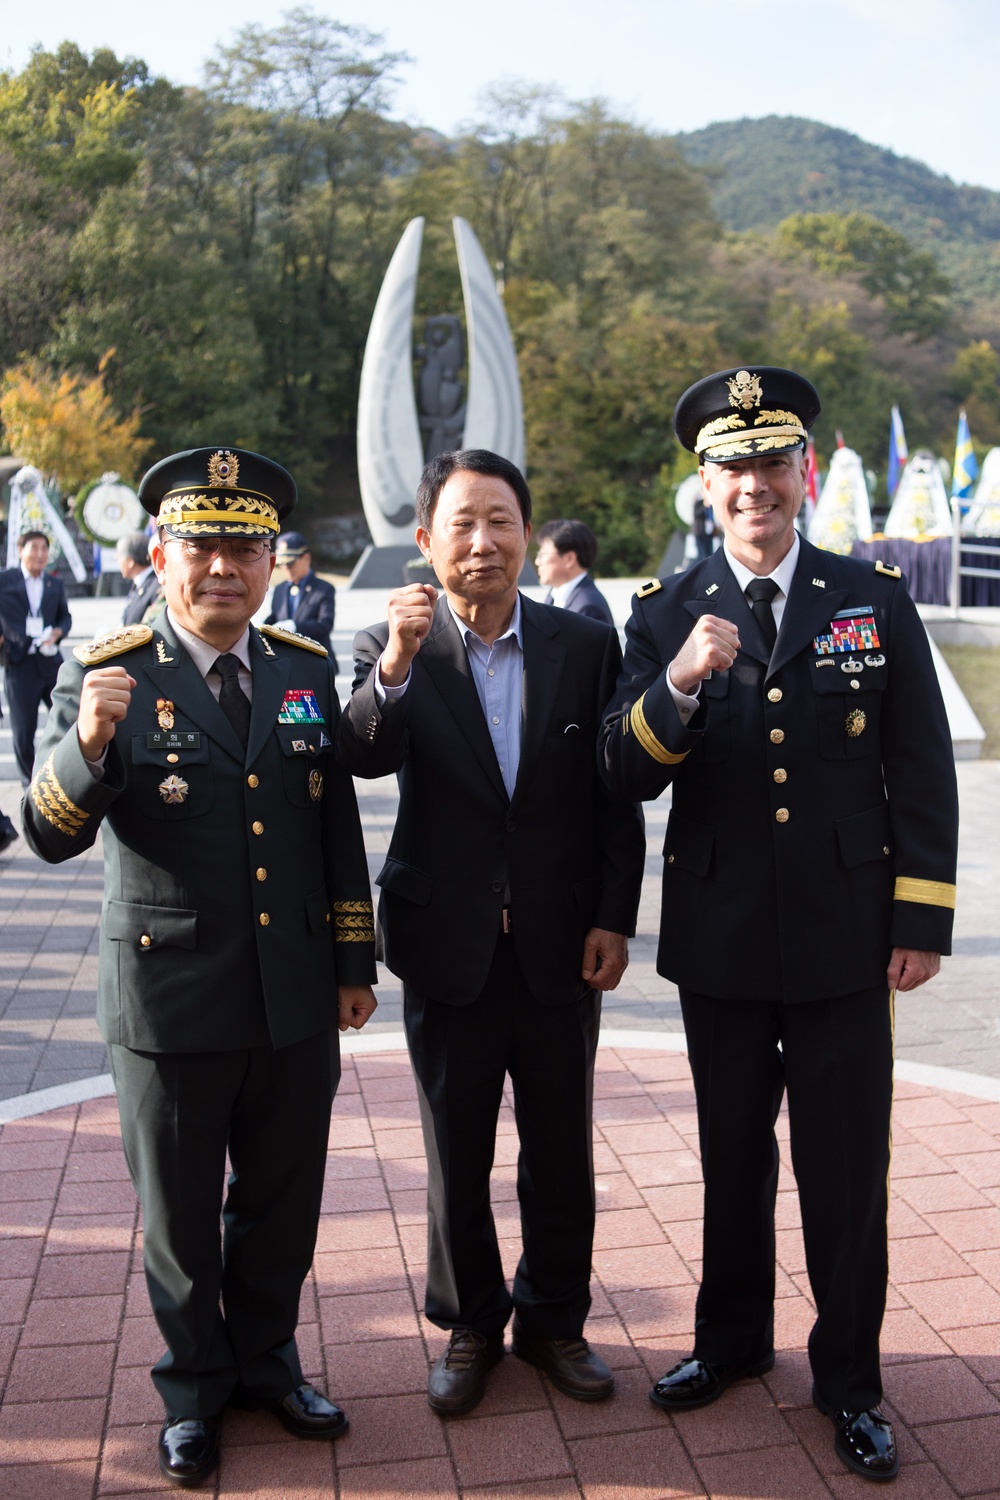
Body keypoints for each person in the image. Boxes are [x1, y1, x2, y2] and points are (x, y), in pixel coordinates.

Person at [599, 368, 959, 1483]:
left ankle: (849, 1379)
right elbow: (620, 768)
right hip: (718, 934)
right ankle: (729, 1342)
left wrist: (922, 916)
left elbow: (921, 767)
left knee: (844, 1165)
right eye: (731, 466)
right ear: (700, 485)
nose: (753, 484)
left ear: (802, 473)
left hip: (850, 933)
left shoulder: (872, 595)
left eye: (771, 462)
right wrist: (680, 683)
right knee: (728, 1156)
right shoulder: (661, 614)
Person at [22, 447, 378, 1489]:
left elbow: (334, 833)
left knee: (281, 1199)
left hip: (294, 992)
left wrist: (352, 958)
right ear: (160, 553)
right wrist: (89, 745)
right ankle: (193, 1391)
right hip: (171, 1001)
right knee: (180, 1220)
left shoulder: (303, 666)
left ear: (271, 561)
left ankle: (267, 1363)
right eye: (204, 546)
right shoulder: (110, 672)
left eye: (245, 548)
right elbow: (45, 834)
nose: (224, 567)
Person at [337, 449, 645, 1416]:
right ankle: (471, 1323)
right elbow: (361, 752)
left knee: (560, 1148)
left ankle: (554, 1320)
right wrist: (390, 665)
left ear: (527, 530)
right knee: (454, 1146)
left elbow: (616, 797)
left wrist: (613, 916)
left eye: (502, 520)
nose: (484, 542)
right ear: (425, 541)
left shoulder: (584, 646)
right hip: (448, 940)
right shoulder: (394, 645)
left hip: (558, 943)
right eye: (462, 524)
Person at [0, 530, 72, 786]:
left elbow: (65, 617)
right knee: (22, 732)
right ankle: (28, 786)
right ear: (20, 550)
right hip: (19, 665)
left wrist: (59, 631)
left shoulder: (54, 583)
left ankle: (63, 778)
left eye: (44, 548)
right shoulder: (5, 580)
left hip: (50, 662)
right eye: (35, 548)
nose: (40, 554)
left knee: (67, 720)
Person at [265, 530, 338, 670]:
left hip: (315, 660)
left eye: (290, 563)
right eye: (282, 564)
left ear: (306, 558)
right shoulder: (280, 588)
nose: (285, 568)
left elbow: (325, 624)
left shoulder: (323, 589)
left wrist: (295, 626)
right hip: (286, 660)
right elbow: (275, 616)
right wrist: (262, 626)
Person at [534, 518, 615, 625]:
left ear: (569, 559)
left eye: (543, 554)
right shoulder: (555, 594)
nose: (537, 562)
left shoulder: (589, 608)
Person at [117, 531, 163, 625]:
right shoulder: (140, 583)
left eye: (118, 557)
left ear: (130, 561)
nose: (118, 561)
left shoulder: (158, 584)